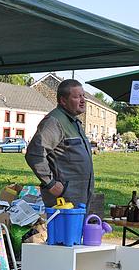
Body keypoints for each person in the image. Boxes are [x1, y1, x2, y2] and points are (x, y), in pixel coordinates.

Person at [25, 79, 94, 207]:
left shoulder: (74, 122)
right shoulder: (54, 121)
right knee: (63, 228)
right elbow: (34, 154)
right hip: (63, 199)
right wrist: (50, 183)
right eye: (77, 97)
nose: (83, 100)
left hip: (79, 197)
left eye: (83, 95)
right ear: (63, 101)